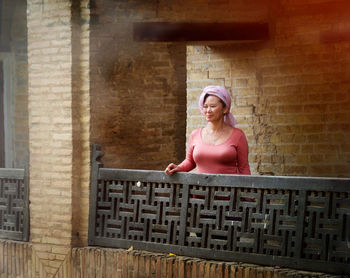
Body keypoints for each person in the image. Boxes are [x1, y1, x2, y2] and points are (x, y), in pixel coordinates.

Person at [165, 85, 251, 176]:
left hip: (228, 189)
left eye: (213, 106)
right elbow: (190, 161)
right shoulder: (195, 134)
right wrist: (178, 167)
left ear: (225, 109)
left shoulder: (238, 135)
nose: (208, 110)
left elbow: (244, 168)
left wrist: (248, 189)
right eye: (205, 106)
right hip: (200, 189)